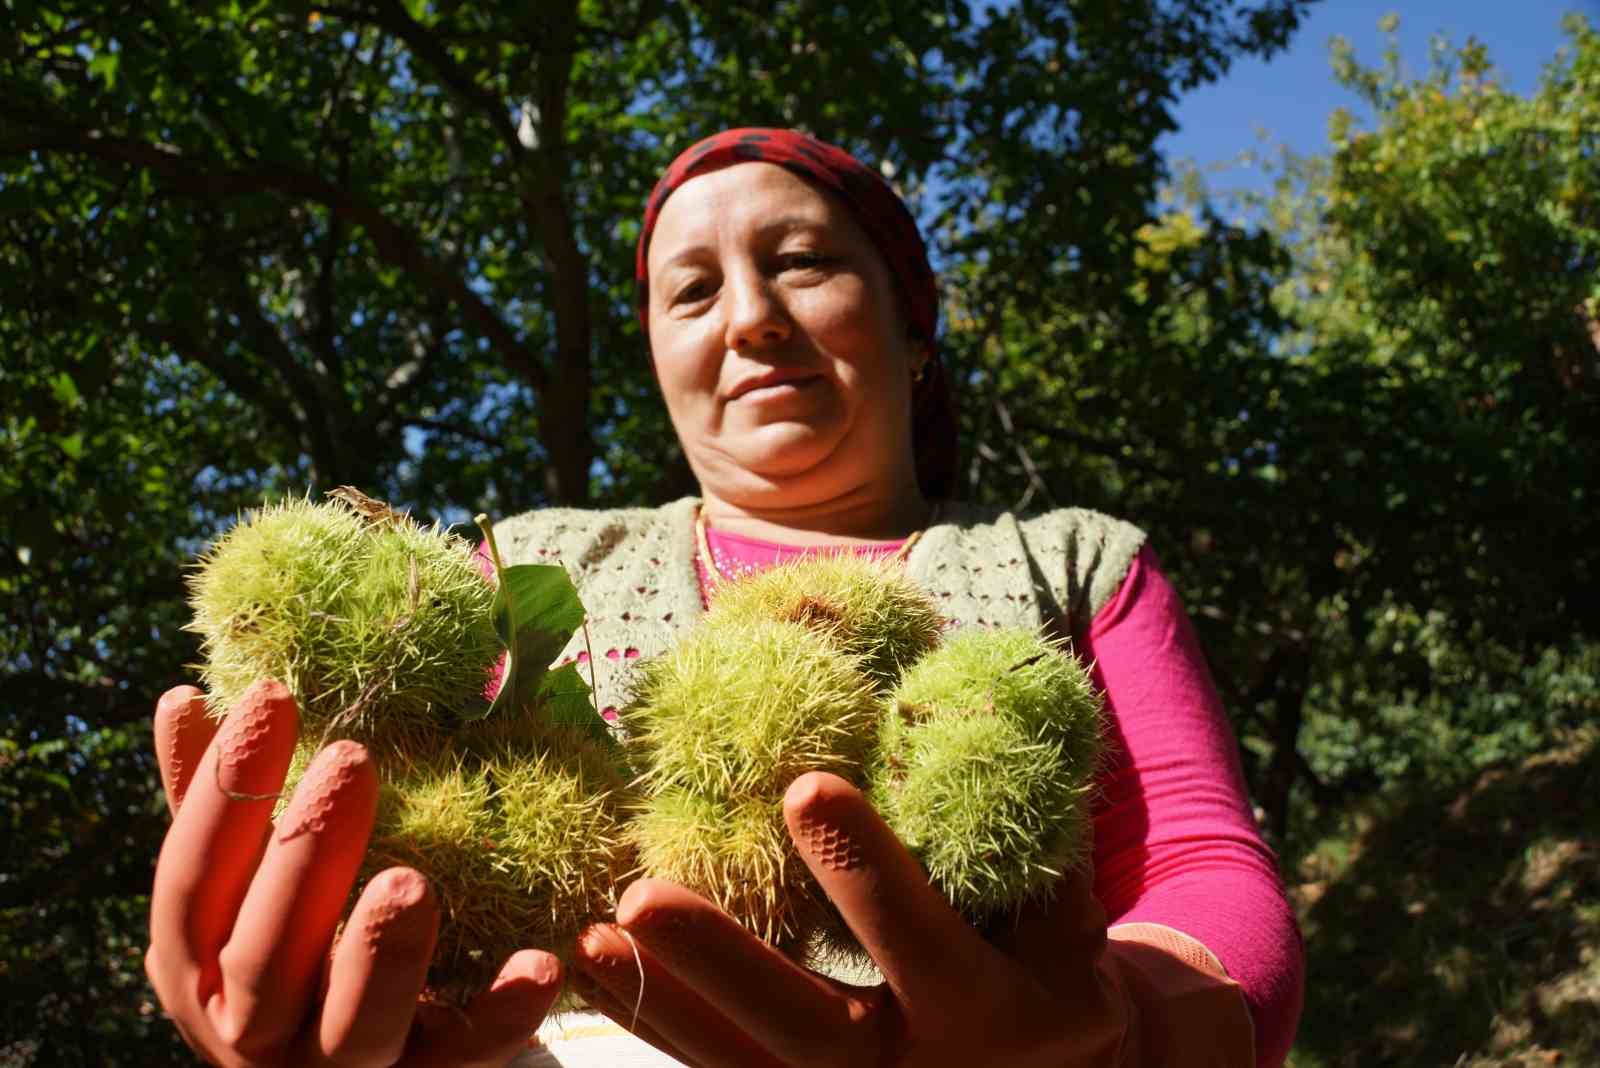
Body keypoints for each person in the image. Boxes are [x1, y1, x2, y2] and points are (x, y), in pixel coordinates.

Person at [146, 128, 1304, 1067]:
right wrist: (299, 966)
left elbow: (1200, 863)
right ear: (655, 356)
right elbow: (395, 782)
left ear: (913, 326)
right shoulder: (527, 562)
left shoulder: (1066, 560)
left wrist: (1130, 1028)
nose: (750, 316)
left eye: (802, 261)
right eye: (690, 291)